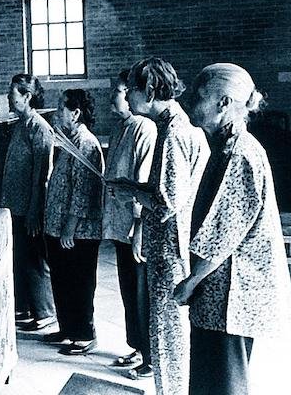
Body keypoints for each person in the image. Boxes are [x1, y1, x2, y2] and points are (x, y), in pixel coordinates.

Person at [174, 63, 291, 395]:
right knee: (210, 379)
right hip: (220, 291)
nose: (189, 104)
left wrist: (191, 281)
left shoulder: (240, 154)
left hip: (232, 294)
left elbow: (223, 235)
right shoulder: (224, 147)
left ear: (223, 104)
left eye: (198, 97)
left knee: (223, 382)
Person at [112, 57, 208, 395]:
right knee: (167, 330)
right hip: (171, 247)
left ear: (150, 90)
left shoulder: (174, 132)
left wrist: (130, 190)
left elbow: (167, 203)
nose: (127, 97)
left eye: (132, 89)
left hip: (172, 249)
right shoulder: (175, 126)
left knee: (167, 334)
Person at [41, 88, 104, 355]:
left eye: (61, 107)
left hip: (78, 231)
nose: (57, 112)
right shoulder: (70, 140)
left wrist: (69, 226)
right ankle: (68, 328)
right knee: (63, 279)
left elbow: (83, 190)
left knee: (79, 282)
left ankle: (84, 334)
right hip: (59, 227)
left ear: (75, 113)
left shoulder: (86, 144)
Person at [104, 70, 157, 379]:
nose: (114, 97)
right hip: (120, 226)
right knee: (128, 290)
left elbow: (144, 181)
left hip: (135, 227)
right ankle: (138, 347)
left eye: (120, 91)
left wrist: (139, 228)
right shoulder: (122, 128)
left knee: (140, 291)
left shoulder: (144, 129)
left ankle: (150, 357)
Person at [0, 73, 56, 333]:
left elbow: (41, 175)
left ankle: (45, 311)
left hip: (30, 206)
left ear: (26, 96)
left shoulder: (39, 127)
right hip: (15, 205)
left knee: (35, 259)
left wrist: (34, 209)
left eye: (12, 93)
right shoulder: (19, 124)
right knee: (21, 258)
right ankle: (29, 308)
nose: (8, 97)